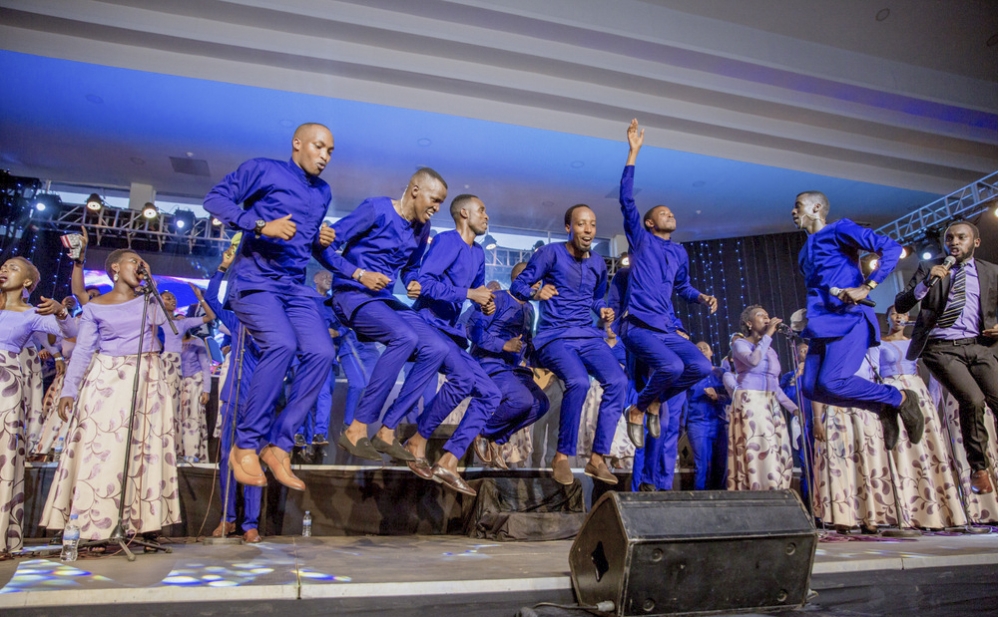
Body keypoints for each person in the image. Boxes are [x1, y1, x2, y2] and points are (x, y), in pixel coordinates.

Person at [204, 123, 338, 491]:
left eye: (330, 151)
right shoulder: (263, 169)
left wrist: (322, 242)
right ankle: (245, 445)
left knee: (322, 352)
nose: (324, 156)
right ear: (297, 144)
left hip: (293, 288)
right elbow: (214, 200)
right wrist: (261, 225)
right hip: (255, 281)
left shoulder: (323, 192)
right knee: (282, 344)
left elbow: (305, 243)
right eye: (318, 147)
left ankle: (279, 445)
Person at [41, 250, 180, 543]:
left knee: (144, 448)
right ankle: (94, 527)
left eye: (142, 262)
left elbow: (173, 335)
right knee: (101, 450)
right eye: (134, 261)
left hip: (147, 375)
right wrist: (69, 390)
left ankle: (145, 524)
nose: (140, 265)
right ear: (115, 268)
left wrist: (152, 287)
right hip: (107, 378)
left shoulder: (149, 301)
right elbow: (83, 351)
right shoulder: (95, 307)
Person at [319, 168, 449, 463]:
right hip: (351, 295)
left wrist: (413, 281)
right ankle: (357, 428)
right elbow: (324, 247)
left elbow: (410, 268)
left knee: (437, 348)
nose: (436, 208)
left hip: (383, 300)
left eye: (441, 202)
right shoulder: (375, 208)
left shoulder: (422, 229)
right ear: (415, 189)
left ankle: (388, 430)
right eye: (434, 199)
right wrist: (359, 273)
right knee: (404, 337)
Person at [792, 190, 922, 450]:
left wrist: (867, 286)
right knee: (810, 388)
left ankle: (901, 397)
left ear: (816, 207)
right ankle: (882, 407)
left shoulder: (840, 229)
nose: (793, 212)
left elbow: (892, 248)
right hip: (820, 325)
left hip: (849, 319)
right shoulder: (804, 253)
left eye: (798, 206)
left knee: (831, 381)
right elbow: (820, 288)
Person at [618, 120, 717, 449]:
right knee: (672, 366)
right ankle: (638, 408)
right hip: (638, 326)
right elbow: (626, 201)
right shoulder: (641, 240)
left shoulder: (679, 251)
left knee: (701, 365)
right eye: (663, 212)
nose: (670, 214)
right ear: (649, 222)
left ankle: (651, 402)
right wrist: (633, 153)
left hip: (665, 327)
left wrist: (700, 296)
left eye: (671, 212)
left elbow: (683, 288)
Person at [511, 204, 625, 486]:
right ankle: (562, 457)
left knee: (619, 382)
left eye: (592, 225)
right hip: (555, 336)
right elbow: (518, 285)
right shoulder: (550, 253)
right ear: (568, 227)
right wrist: (537, 292)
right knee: (578, 382)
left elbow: (597, 298)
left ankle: (597, 459)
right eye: (581, 224)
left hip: (586, 335)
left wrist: (603, 309)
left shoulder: (598, 263)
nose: (587, 230)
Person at [400, 194, 500, 494]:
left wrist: (485, 305)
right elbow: (425, 283)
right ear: (464, 214)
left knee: (491, 394)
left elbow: (478, 291)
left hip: (452, 333)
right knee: (465, 378)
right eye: (481, 210)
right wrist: (470, 294)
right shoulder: (445, 241)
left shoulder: (479, 253)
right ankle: (417, 440)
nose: (486, 216)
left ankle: (448, 459)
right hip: (430, 326)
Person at [894, 221, 997, 494]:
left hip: (981, 345)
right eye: (949, 238)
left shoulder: (991, 272)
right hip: (941, 348)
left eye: (961, 238)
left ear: (975, 242)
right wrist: (925, 285)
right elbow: (902, 303)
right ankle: (979, 468)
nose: (953, 242)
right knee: (973, 400)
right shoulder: (931, 269)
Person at [0, 257, 77, 559]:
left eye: (13, 267)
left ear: (29, 282)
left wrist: (60, 311)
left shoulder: (31, 314)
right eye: (3, 265)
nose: (4, 269)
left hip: (5, 381)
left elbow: (72, 331)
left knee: (3, 458)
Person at [879, 306, 965, 528]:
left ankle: (932, 505)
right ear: (888, 317)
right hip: (892, 388)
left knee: (923, 442)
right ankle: (902, 506)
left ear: (908, 318)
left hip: (915, 387)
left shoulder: (914, 342)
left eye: (903, 314)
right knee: (899, 444)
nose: (899, 317)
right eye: (895, 313)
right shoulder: (879, 342)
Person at [205, 248, 263, 543]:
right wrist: (222, 268)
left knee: (250, 460)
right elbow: (212, 300)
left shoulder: (275, 328)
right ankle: (227, 519)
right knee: (228, 458)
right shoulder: (237, 322)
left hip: (258, 402)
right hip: (232, 397)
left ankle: (250, 524)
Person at [469, 262, 549, 469]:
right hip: (488, 363)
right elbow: (472, 330)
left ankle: (498, 439)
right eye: (534, 277)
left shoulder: (530, 309)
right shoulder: (498, 298)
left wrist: (551, 360)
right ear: (518, 278)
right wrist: (502, 344)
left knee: (541, 404)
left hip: (514, 369)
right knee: (521, 399)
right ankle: (481, 431)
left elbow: (527, 344)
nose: (538, 282)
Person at [727, 305, 797, 491]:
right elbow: (753, 360)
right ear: (749, 323)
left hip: (770, 402)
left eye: (768, 315)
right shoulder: (740, 344)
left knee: (778, 448)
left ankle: (778, 489)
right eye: (761, 316)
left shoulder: (771, 350)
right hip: (751, 400)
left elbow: (774, 384)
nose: (767, 318)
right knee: (760, 445)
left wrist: (794, 409)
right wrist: (769, 335)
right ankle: (763, 488)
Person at [161, 290, 215, 455]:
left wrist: (200, 298)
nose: (172, 300)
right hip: (163, 366)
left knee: (189, 417)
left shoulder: (182, 325)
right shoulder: (155, 321)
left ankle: (190, 453)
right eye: (167, 298)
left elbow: (210, 317)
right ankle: (169, 450)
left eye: (174, 298)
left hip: (186, 377)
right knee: (168, 412)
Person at [684, 341, 730, 490]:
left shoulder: (721, 373)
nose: (702, 349)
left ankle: (721, 500)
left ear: (711, 353)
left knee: (722, 465)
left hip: (720, 423)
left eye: (706, 348)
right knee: (702, 465)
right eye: (698, 348)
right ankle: (700, 500)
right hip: (698, 423)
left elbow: (733, 396)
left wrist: (718, 397)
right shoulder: (688, 374)